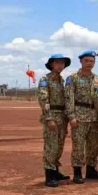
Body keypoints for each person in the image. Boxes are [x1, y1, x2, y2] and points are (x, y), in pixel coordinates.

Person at [65, 50, 98, 184]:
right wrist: (71, 116)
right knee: (78, 145)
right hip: (79, 115)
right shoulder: (73, 78)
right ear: (81, 61)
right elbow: (69, 98)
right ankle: (77, 171)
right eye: (86, 61)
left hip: (94, 117)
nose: (89, 63)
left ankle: (91, 169)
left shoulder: (97, 79)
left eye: (91, 61)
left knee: (94, 145)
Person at [38, 54, 71, 187]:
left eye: (62, 63)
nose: (60, 65)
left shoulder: (61, 81)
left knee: (59, 146)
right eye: (57, 62)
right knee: (51, 146)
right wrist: (49, 118)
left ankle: (55, 171)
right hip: (52, 115)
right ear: (51, 64)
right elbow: (43, 99)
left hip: (62, 116)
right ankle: (49, 175)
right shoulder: (45, 79)